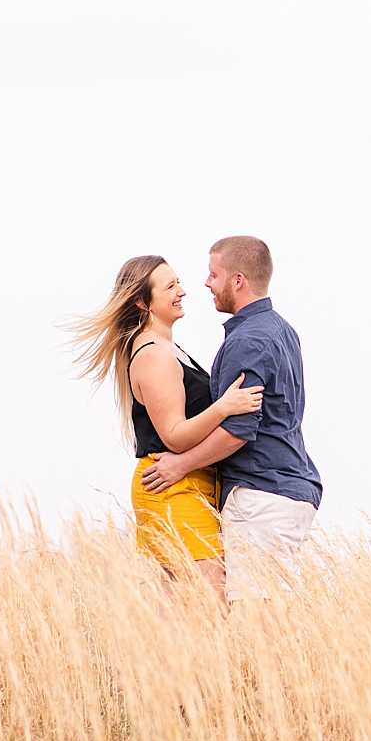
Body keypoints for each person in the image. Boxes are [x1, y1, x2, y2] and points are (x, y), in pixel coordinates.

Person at [63, 254, 264, 599]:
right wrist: (224, 407)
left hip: (186, 483)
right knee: (208, 604)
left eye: (179, 282)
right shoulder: (154, 354)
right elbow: (174, 434)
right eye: (170, 286)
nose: (182, 291)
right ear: (143, 301)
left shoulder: (169, 348)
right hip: (172, 487)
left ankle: (156, 656)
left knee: (182, 604)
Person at [140, 236, 322, 601]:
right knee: (265, 617)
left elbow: (239, 430)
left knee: (261, 624)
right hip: (289, 488)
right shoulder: (281, 330)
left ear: (237, 280)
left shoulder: (248, 341)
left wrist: (181, 465)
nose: (206, 284)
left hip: (262, 493)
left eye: (213, 274)